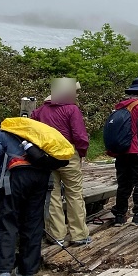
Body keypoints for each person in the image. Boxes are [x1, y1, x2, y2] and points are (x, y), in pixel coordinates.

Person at [0, 119, 50, 276]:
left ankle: (0, 271)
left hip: (16, 177)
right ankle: (27, 270)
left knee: (7, 220)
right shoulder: (21, 133)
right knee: (33, 221)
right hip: (41, 176)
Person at [31, 78, 91, 245]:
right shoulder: (72, 109)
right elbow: (80, 136)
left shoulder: (39, 111)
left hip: (46, 156)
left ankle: (55, 235)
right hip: (68, 154)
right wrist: (82, 153)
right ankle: (79, 235)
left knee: (52, 196)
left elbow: (34, 134)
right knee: (74, 195)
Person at [107, 77, 138, 225]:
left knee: (124, 183)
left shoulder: (120, 106)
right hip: (137, 149)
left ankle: (120, 216)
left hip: (121, 150)